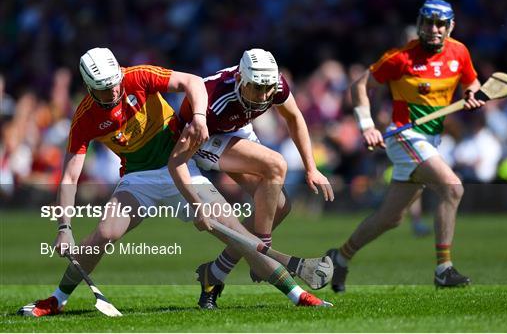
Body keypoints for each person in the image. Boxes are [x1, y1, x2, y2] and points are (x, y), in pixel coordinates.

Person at [18, 48, 331, 317]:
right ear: (88, 87)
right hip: (138, 179)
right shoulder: (84, 118)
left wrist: (197, 117)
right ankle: (57, 299)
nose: (113, 92)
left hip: (183, 166)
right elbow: (70, 175)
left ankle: (298, 296)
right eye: (103, 89)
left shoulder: (137, 76)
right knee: (104, 232)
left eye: (114, 83)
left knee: (241, 237)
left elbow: (192, 81)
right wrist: (64, 228)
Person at [326, 0, 485, 292]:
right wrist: (367, 125)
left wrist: (473, 95)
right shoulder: (400, 57)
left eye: (440, 24)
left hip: (431, 140)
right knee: (452, 187)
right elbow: (360, 85)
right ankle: (443, 268)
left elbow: (471, 83)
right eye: (428, 22)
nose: (434, 29)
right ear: (420, 23)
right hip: (404, 136)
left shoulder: (459, 52)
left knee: (390, 218)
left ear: (450, 27)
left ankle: (340, 257)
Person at [178, 48, 335, 308]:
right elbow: (183, 145)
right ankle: (263, 251)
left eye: (267, 89)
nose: (263, 97)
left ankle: (214, 274)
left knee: (280, 206)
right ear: (240, 80)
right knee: (276, 164)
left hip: (236, 130)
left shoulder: (274, 86)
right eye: (256, 89)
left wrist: (311, 167)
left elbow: (294, 117)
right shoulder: (215, 100)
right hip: (200, 138)